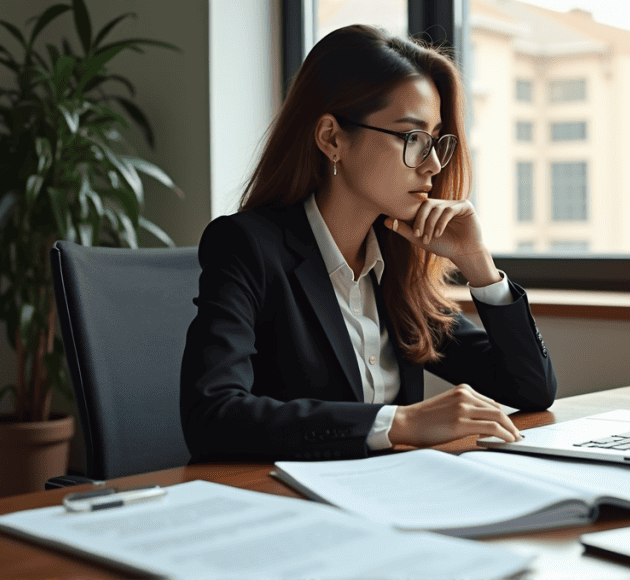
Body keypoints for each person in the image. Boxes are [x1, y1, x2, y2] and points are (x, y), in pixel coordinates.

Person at [180, 24, 557, 463]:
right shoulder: (247, 247)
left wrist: (479, 265)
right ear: (332, 138)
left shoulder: (394, 264)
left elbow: (531, 388)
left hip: (389, 496)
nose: (433, 164)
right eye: (412, 138)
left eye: (436, 141)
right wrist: (402, 423)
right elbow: (213, 415)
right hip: (290, 504)